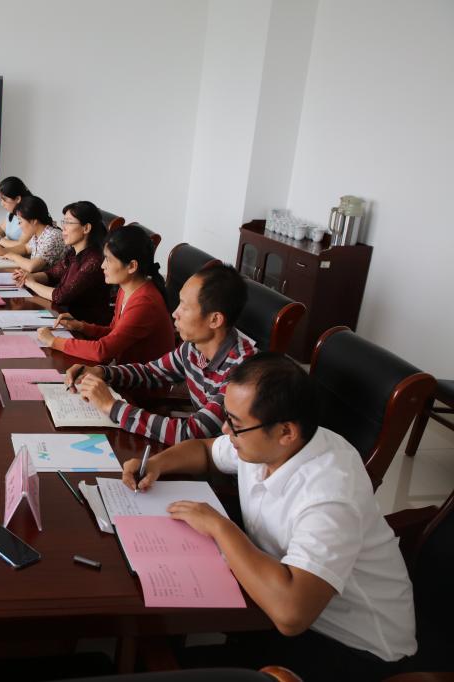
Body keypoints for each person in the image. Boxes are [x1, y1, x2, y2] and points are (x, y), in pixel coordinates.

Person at [122, 352, 416, 681]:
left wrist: (221, 528)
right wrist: (157, 464)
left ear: (286, 431)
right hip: (278, 602)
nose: (226, 430)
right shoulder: (267, 441)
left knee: (157, 656)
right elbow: (205, 450)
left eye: (235, 425)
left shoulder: (330, 495)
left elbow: (292, 615)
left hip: (352, 647)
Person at [66, 264, 256, 444]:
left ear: (215, 320)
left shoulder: (243, 373)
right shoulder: (193, 346)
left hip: (223, 459)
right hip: (200, 450)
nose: (175, 313)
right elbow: (152, 373)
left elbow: (189, 433)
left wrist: (111, 406)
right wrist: (102, 372)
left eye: (184, 307)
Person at [39, 223, 175, 364]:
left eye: (108, 260)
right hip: (124, 369)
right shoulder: (126, 288)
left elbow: (102, 351)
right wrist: (82, 326)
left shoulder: (145, 302)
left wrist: (53, 341)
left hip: (141, 377)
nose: (102, 265)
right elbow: (114, 332)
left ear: (132, 266)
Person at [16, 200, 113, 325]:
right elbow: (52, 274)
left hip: (85, 326)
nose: (64, 228)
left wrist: (30, 283)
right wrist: (28, 277)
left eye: (69, 222)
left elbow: (61, 296)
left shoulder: (94, 260)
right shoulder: (73, 252)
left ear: (86, 228)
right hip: (67, 318)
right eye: (64, 222)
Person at [0, 195, 66, 272]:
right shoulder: (39, 234)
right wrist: (2, 251)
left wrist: (13, 256)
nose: (19, 225)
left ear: (34, 221)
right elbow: (25, 248)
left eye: (20, 221)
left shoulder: (52, 236)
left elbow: (32, 266)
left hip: (48, 279)